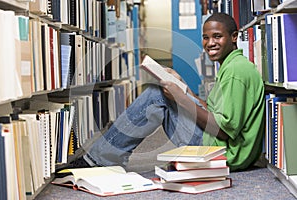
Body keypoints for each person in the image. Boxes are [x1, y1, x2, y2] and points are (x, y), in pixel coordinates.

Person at [70, 12, 265, 172]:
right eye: (205, 38)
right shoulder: (232, 65)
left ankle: (97, 160)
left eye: (217, 36)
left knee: (155, 94)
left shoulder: (234, 72)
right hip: (224, 146)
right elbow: (214, 112)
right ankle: (102, 157)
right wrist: (184, 88)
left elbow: (222, 131)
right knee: (161, 91)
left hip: (225, 152)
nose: (210, 43)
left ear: (233, 37)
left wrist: (181, 98)